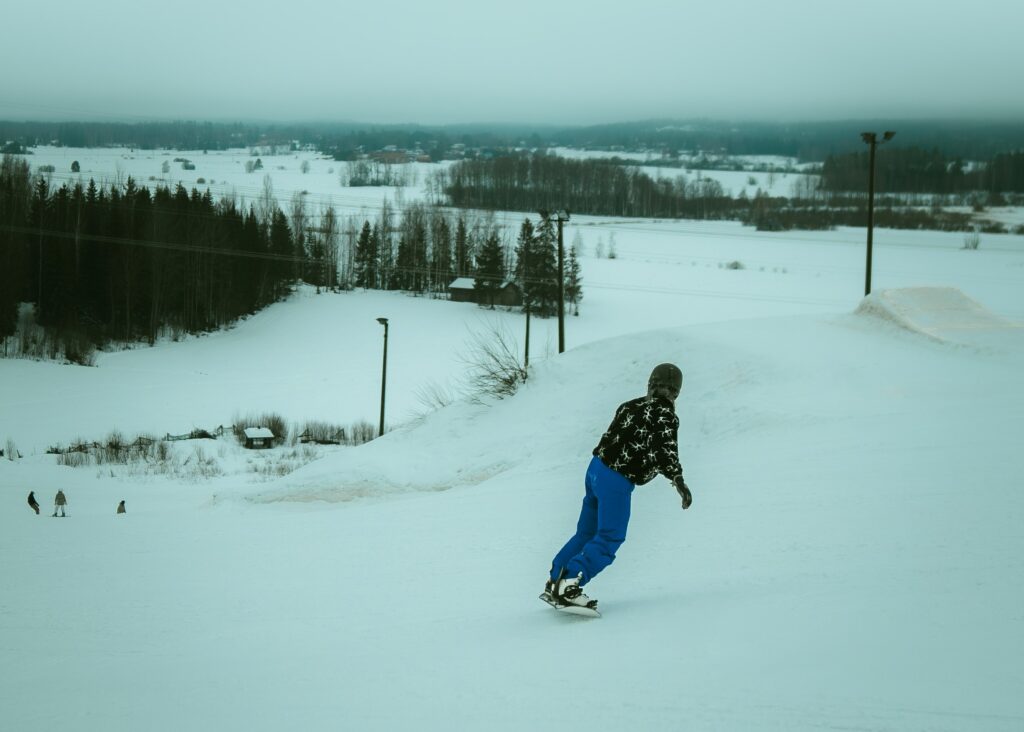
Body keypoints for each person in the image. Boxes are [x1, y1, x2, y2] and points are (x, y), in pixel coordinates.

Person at [544, 363, 692, 610]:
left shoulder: (630, 405)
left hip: (595, 469)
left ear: (650, 384)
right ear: (676, 392)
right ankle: (569, 584)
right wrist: (678, 479)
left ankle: (555, 579)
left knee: (586, 532)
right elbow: (665, 450)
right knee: (610, 536)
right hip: (616, 479)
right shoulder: (665, 414)